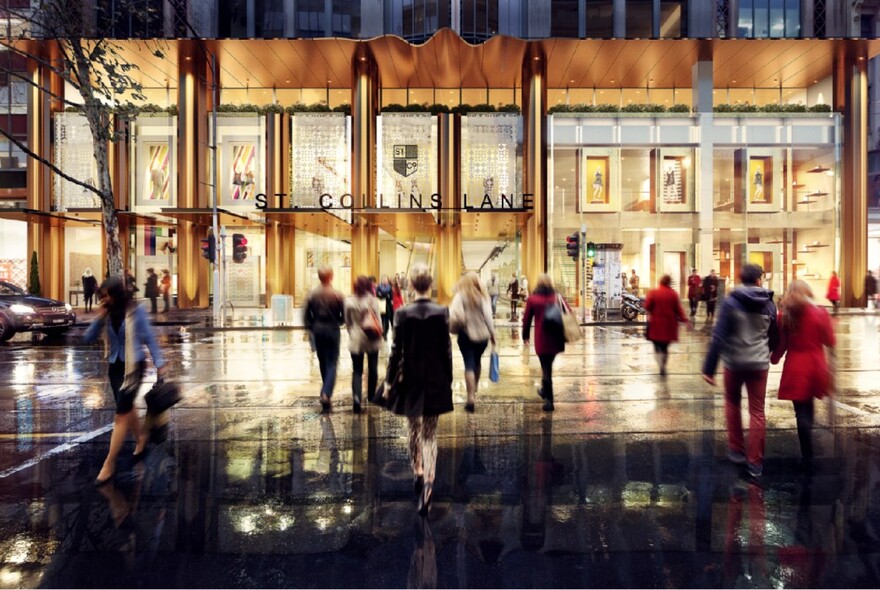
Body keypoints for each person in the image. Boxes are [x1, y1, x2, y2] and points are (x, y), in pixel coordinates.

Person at [382, 263, 453, 516]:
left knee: (413, 429)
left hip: (410, 380)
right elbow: (446, 349)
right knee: (430, 434)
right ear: (430, 285)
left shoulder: (402, 314)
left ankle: (418, 472)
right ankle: (430, 482)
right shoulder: (442, 311)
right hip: (435, 379)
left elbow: (395, 353)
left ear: (411, 285)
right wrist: (449, 378)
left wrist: (389, 383)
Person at [83, 276, 167, 486]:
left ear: (117, 293)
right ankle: (141, 438)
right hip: (115, 367)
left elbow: (149, 337)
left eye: (107, 295)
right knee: (127, 410)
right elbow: (88, 337)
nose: (104, 299)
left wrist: (160, 363)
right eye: (102, 296)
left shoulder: (136, 311)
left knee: (120, 415)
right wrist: (99, 317)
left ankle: (109, 464)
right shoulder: (107, 312)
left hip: (134, 367)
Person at [702, 264, 778, 480]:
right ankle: (755, 464)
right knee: (757, 412)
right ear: (757, 280)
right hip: (759, 365)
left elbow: (719, 336)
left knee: (732, 403)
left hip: (733, 363)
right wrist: (770, 353)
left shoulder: (730, 302)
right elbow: (774, 335)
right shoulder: (769, 304)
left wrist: (709, 368)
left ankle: (736, 451)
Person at [770, 280, 835, 471]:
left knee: (801, 411)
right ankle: (809, 441)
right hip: (816, 365)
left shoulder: (786, 315)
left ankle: (807, 455)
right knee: (810, 406)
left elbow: (781, 344)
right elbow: (830, 340)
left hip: (796, 367)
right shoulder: (820, 313)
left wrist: (774, 358)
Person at [522, 274, 571, 412]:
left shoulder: (533, 299)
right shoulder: (557, 297)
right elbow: (568, 312)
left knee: (546, 369)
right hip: (555, 338)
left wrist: (525, 336)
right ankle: (544, 390)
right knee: (548, 367)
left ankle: (549, 401)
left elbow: (526, 320)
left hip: (541, 339)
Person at [450, 272, 496, 412]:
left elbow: (453, 313)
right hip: (482, 337)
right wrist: (493, 334)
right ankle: (474, 387)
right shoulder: (483, 296)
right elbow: (488, 317)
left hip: (466, 335)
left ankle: (470, 397)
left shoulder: (460, 295)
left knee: (468, 364)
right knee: (477, 361)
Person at [303, 266, 345, 412]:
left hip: (318, 331)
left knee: (322, 361)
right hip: (333, 330)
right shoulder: (337, 294)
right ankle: (326, 393)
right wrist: (338, 321)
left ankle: (325, 389)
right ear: (331, 276)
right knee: (332, 363)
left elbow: (306, 316)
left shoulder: (312, 294)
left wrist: (311, 327)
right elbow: (343, 316)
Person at [344, 276, 383, 414]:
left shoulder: (348, 301)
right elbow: (378, 320)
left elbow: (347, 322)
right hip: (371, 338)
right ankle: (371, 395)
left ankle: (356, 398)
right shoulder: (373, 301)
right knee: (373, 368)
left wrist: (352, 332)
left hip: (356, 338)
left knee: (357, 371)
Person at [645, 274, 691, 376]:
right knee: (665, 347)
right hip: (669, 326)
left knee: (657, 347)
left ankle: (660, 364)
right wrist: (686, 321)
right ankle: (664, 365)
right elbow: (679, 310)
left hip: (656, 325)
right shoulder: (673, 294)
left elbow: (647, 306)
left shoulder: (654, 292)